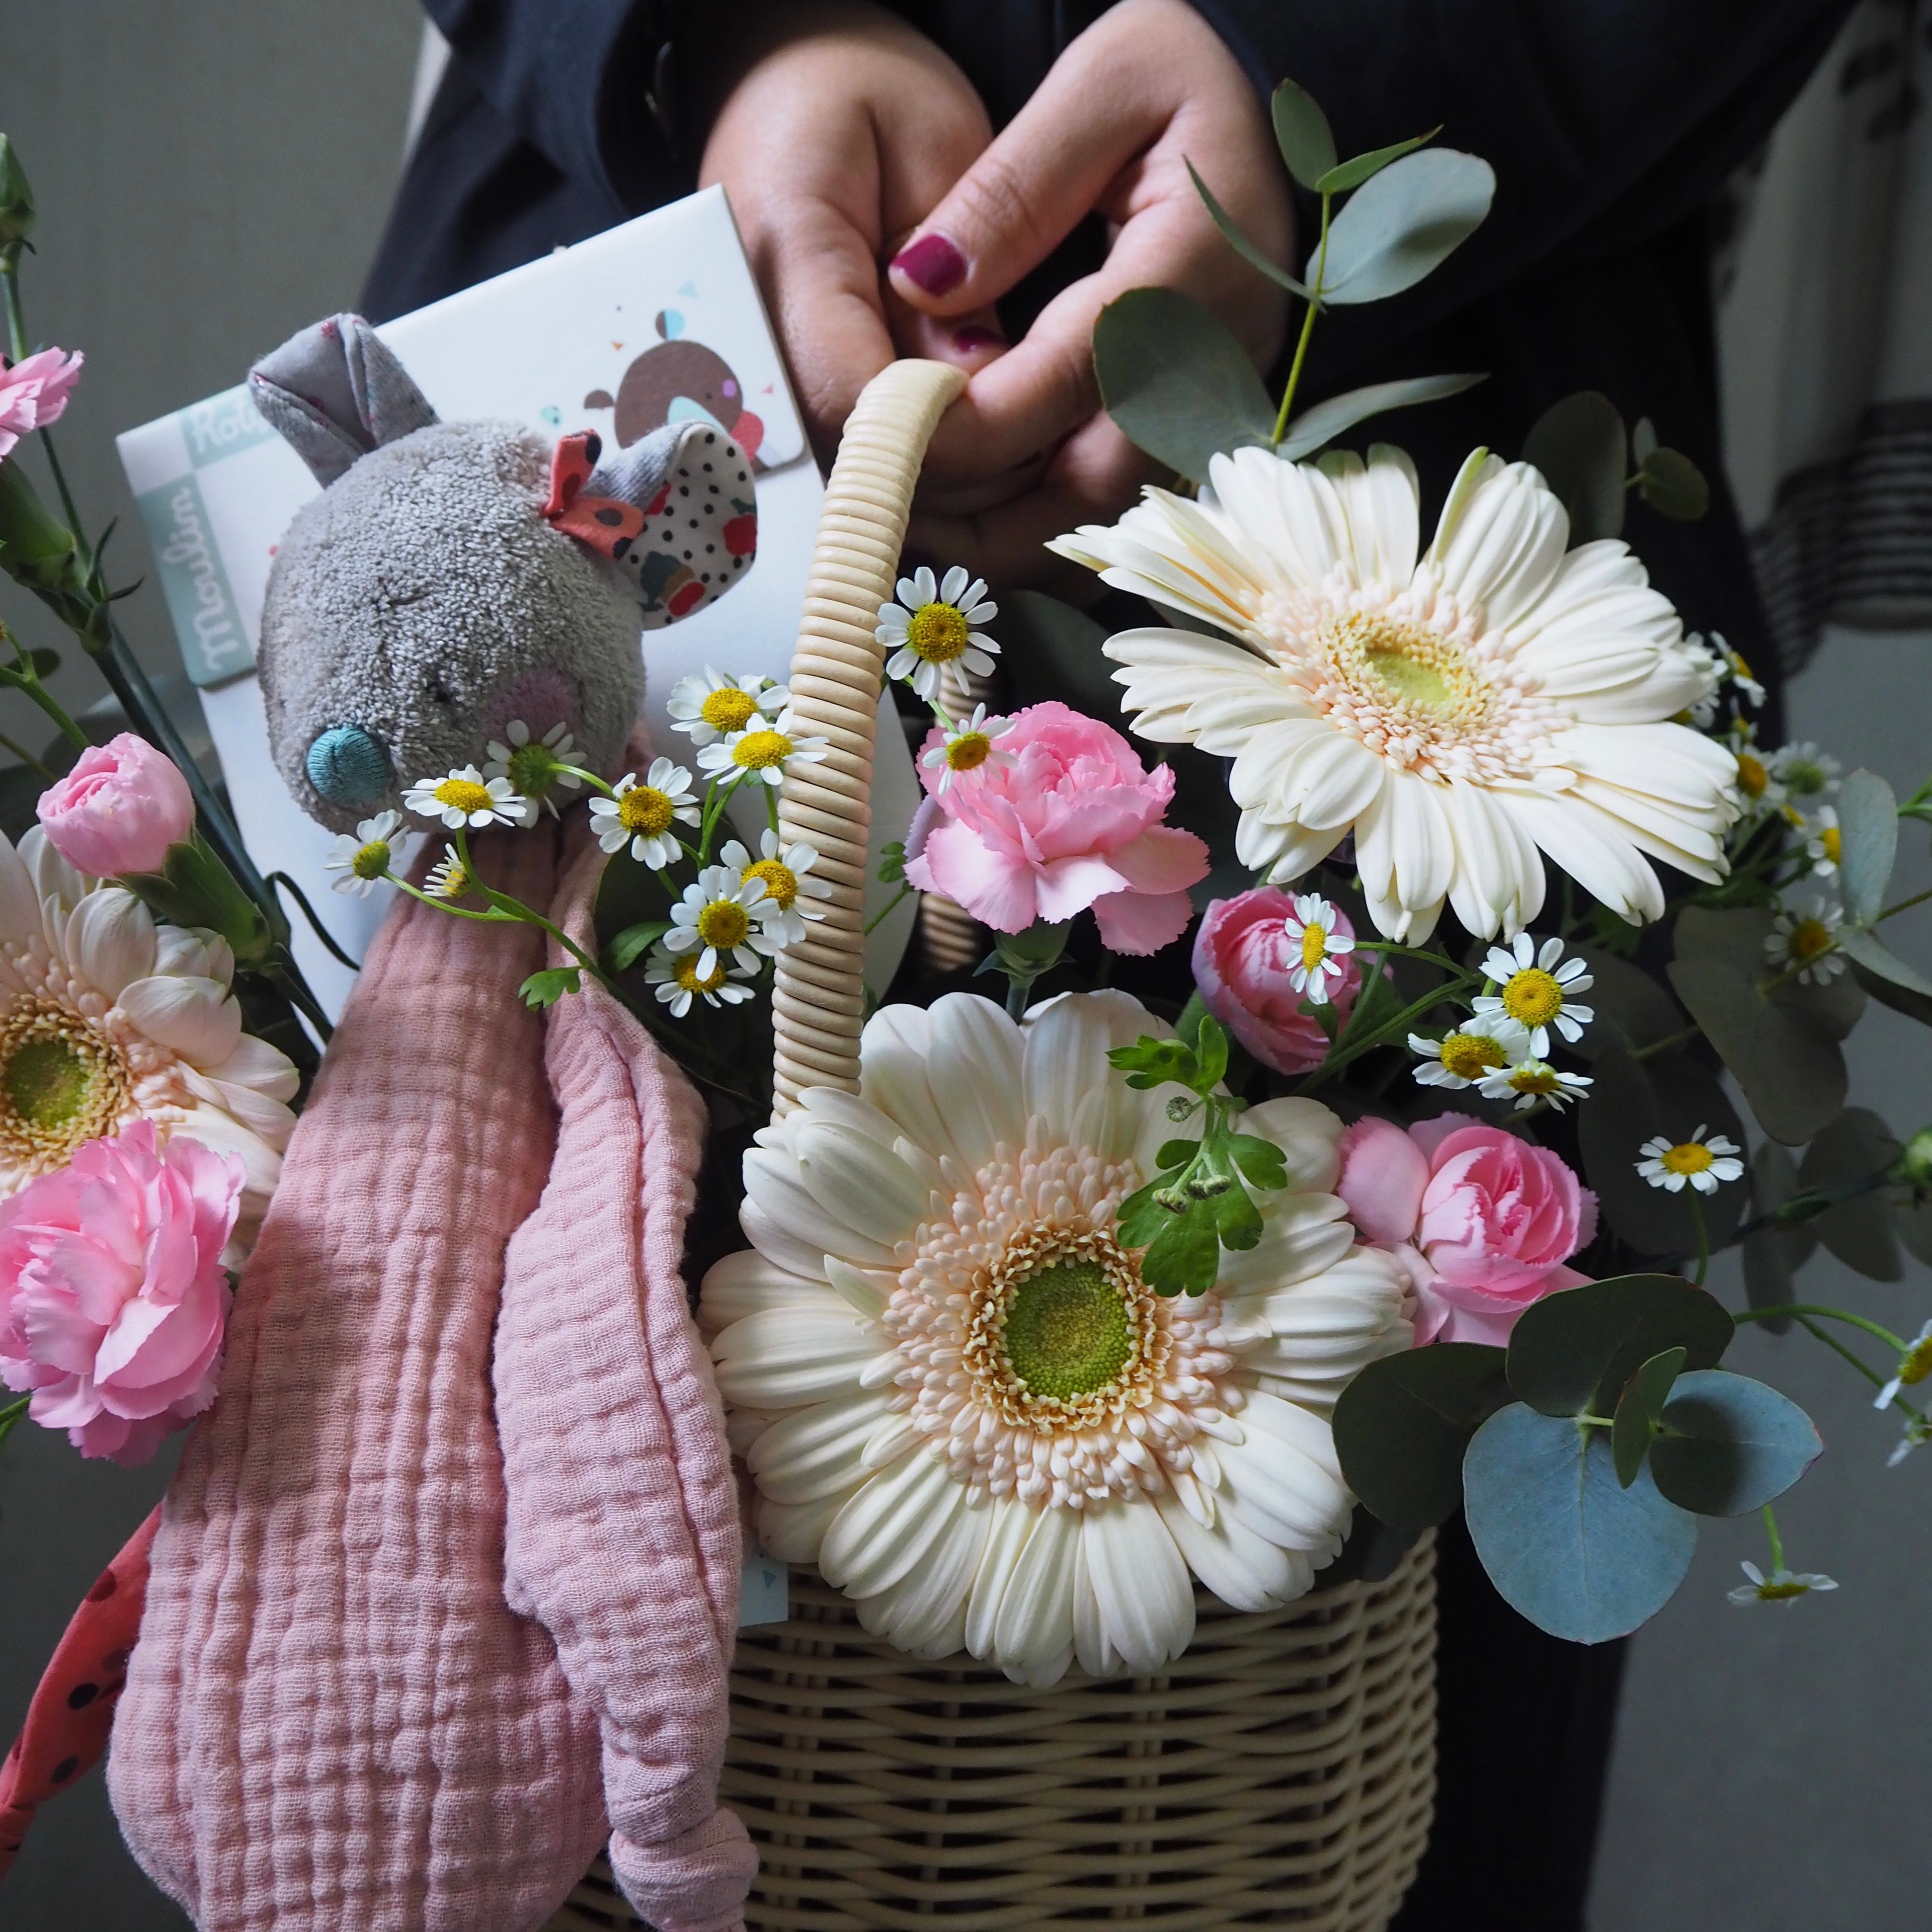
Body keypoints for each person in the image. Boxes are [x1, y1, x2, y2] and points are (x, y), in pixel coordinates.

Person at [362, 5, 1853, 1925]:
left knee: (1342, 1769)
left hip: (1436, 539)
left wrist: (1347, 64)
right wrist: (720, 36)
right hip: (617, 400)